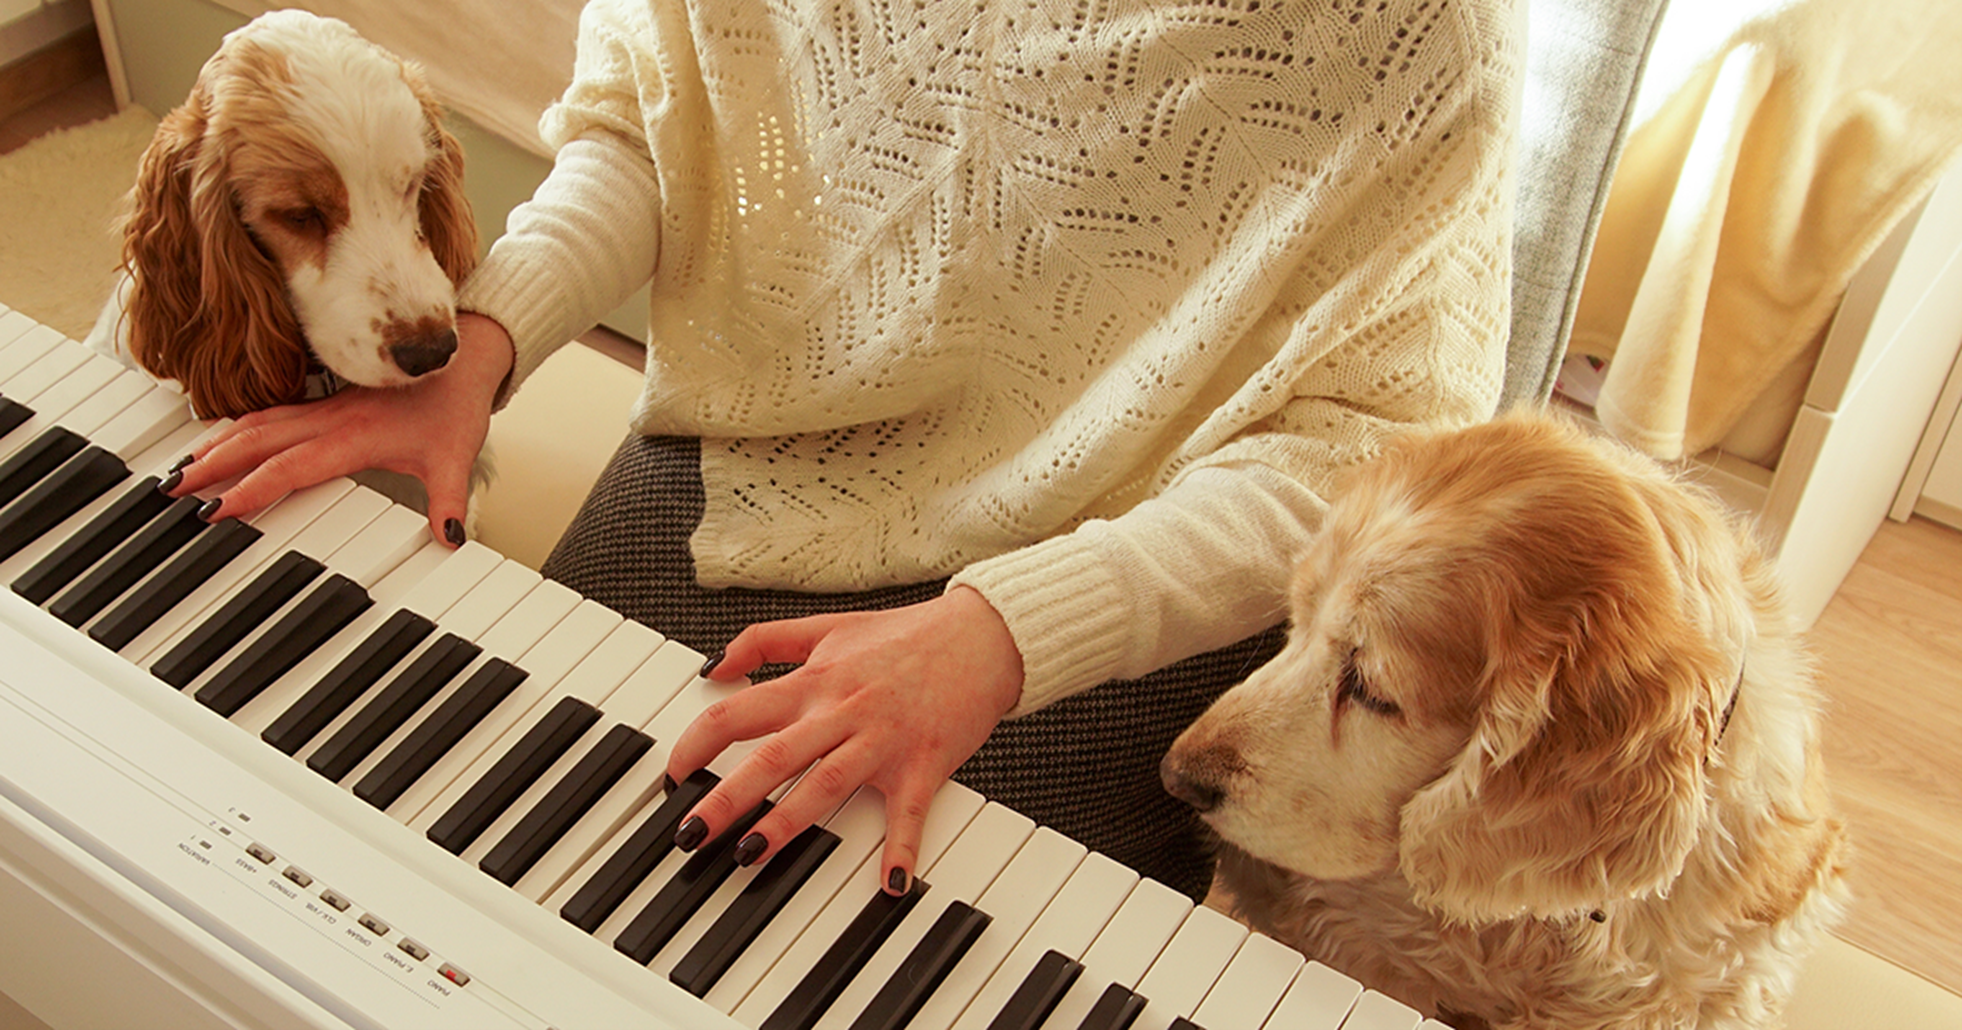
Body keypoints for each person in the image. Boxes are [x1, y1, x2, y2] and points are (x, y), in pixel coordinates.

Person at [171, 0, 1523, 902]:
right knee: (448, 853)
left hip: (1121, 570)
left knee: (806, 938)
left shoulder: (1417, 34)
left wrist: (999, 630)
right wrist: (487, 341)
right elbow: (660, 135)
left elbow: (1363, 453)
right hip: (761, 463)